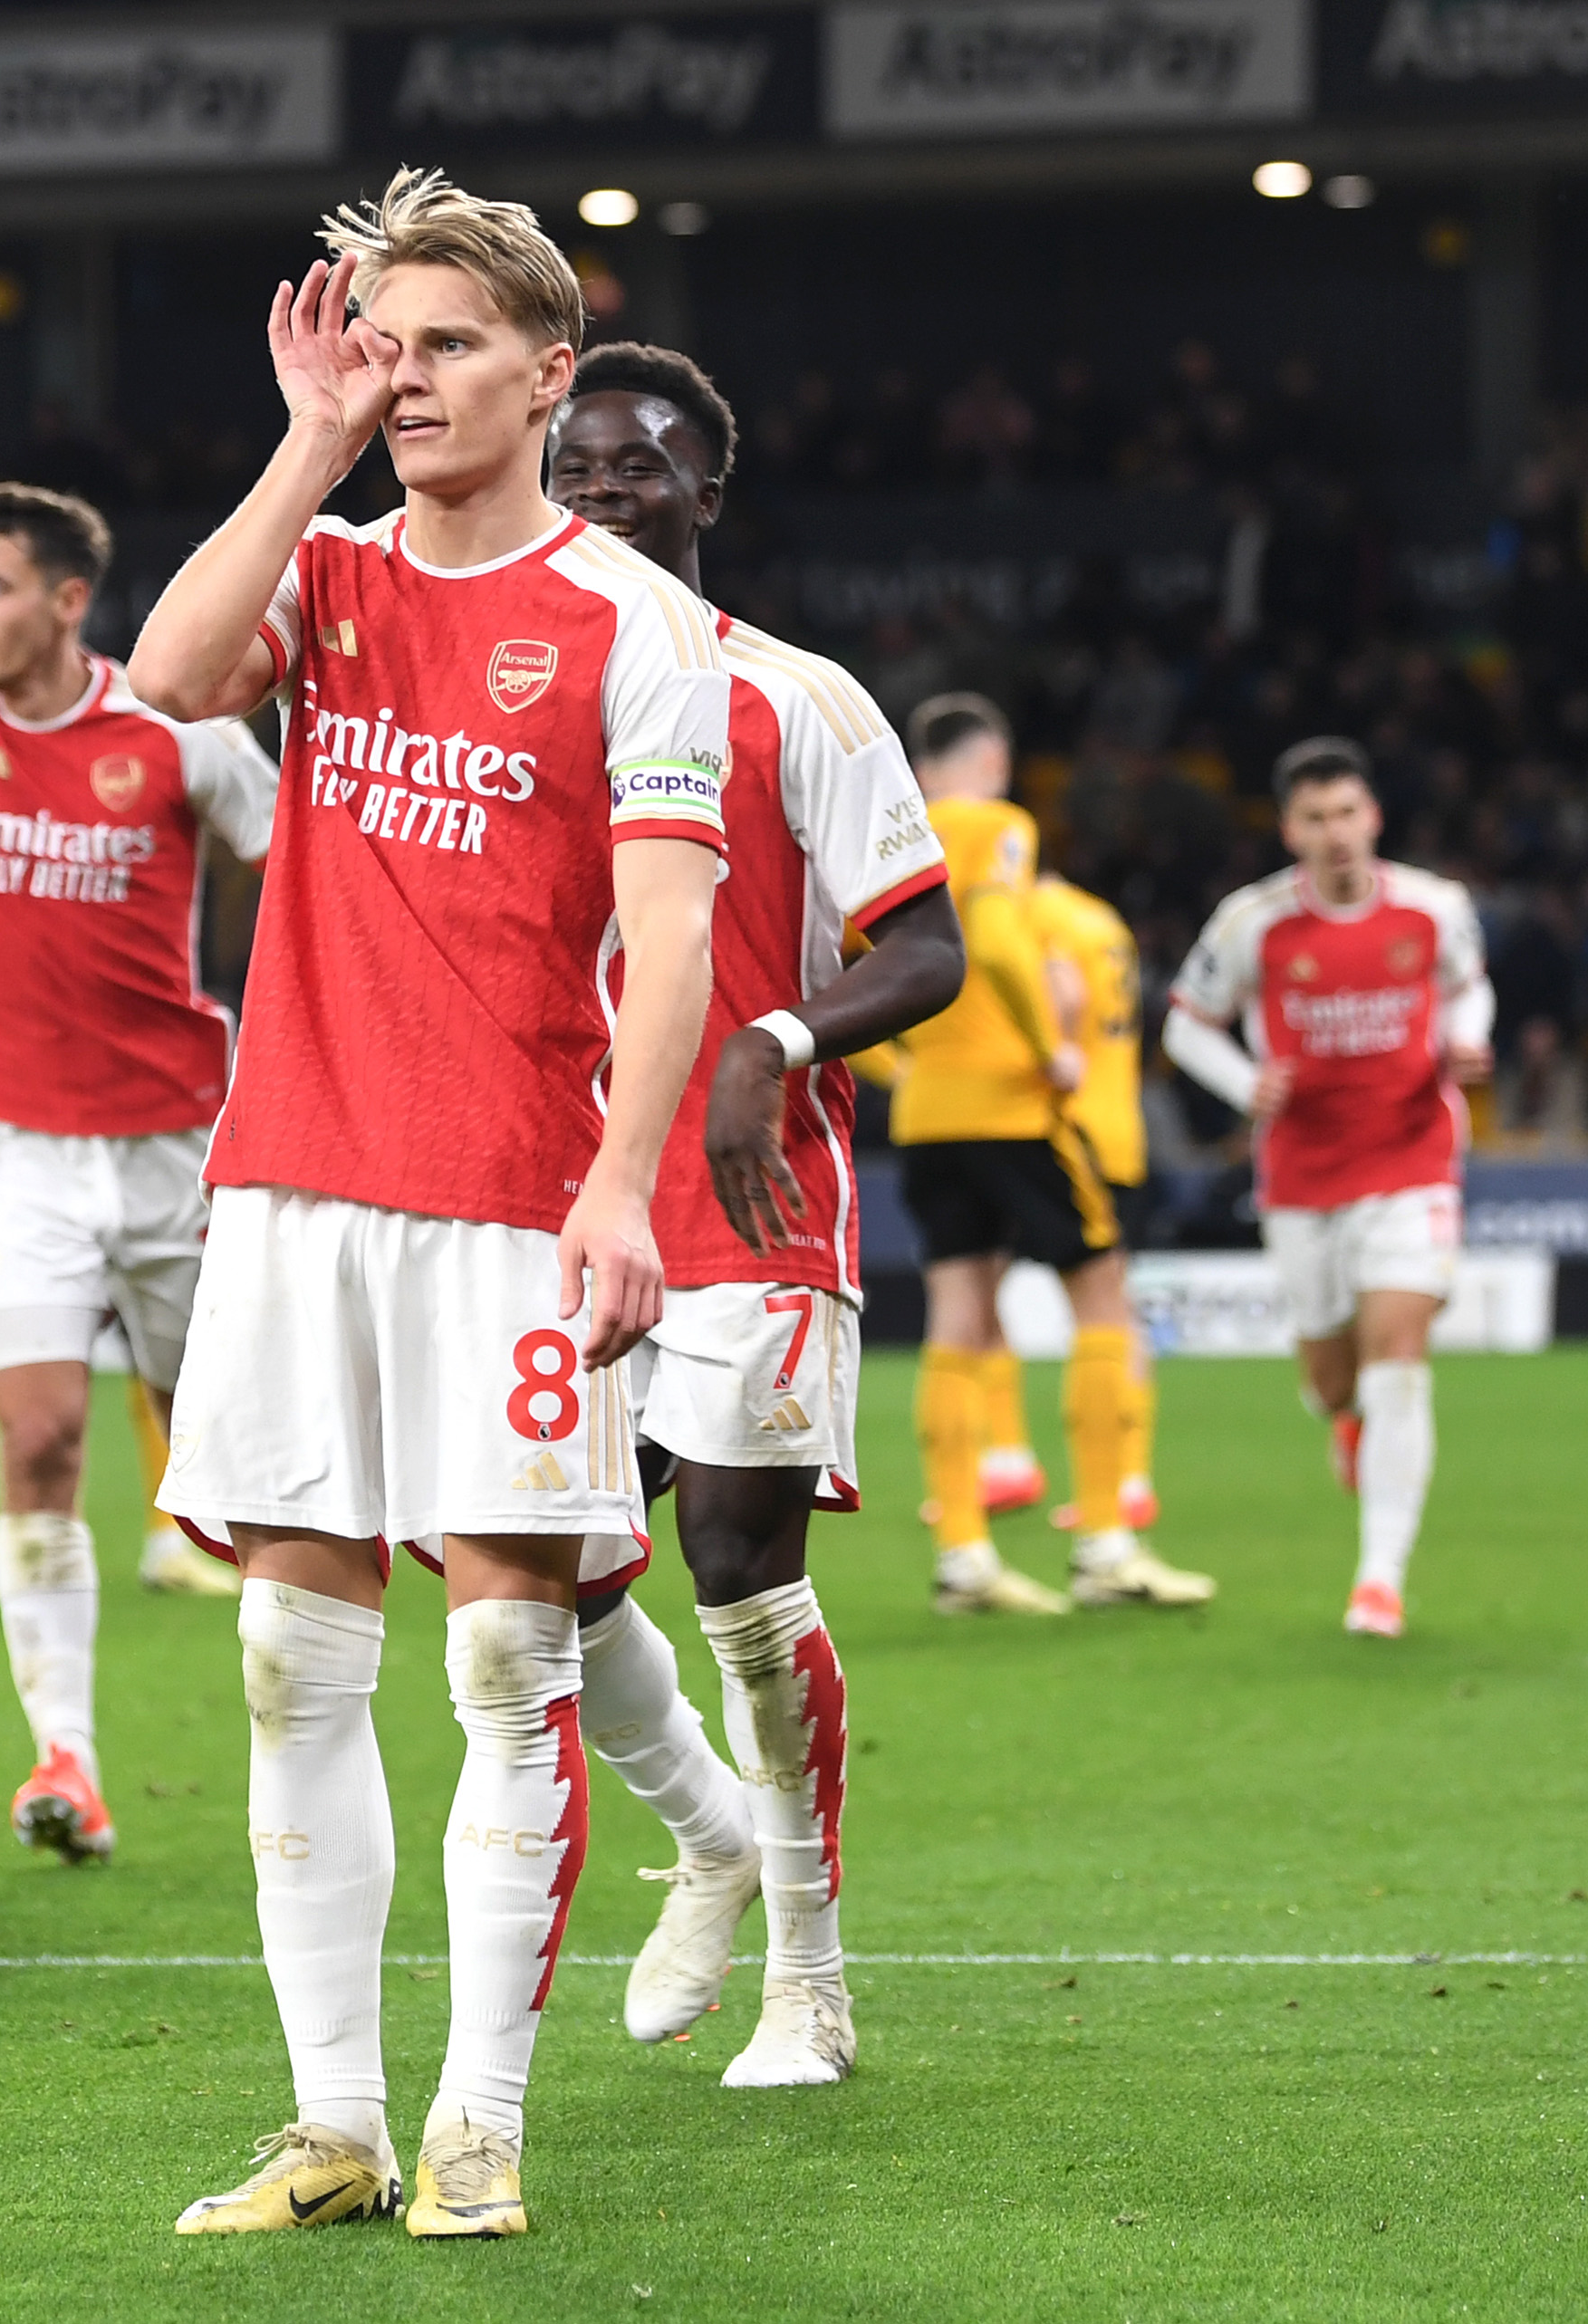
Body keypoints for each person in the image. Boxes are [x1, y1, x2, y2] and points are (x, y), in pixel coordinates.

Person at [128, 169, 727, 2239]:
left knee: (502, 1668)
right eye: (378, 341)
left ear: (552, 372)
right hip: (294, 1183)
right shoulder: (330, 575)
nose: (407, 379)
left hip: (502, 1203)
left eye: (446, 342)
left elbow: (672, 947)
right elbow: (171, 679)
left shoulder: (633, 631)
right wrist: (304, 439)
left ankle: (479, 2122)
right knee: (294, 1660)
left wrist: (624, 1186)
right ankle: (334, 2123)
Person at [544, 343, 965, 2088]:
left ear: (708, 492)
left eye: (637, 466)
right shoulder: (497, 684)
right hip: (553, 1197)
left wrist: (776, 1040)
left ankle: (812, 1970)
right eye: (575, 466)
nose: (599, 493)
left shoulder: (797, 698)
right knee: (545, 1572)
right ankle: (711, 1833)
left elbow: (926, 947)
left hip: (749, 1191)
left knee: (730, 1560)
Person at [0, 481, 277, 1868]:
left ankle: (300, 1737)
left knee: (237, 1464)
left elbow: (302, 868)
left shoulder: (177, 730)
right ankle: (67, 1755)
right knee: (39, 1436)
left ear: (66, 600)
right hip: (12, 1147)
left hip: (184, 1140)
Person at [877, 696, 1209, 1615]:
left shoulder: (877, 829)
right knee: (1100, 1295)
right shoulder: (994, 824)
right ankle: (1106, 1543)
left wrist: (907, 1063)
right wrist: (1043, 1048)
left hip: (929, 1116)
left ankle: (963, 1558)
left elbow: (839, 975)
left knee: (955, 1316)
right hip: (1014, 1108)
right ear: (991, 757)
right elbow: (992, 940)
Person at [1164, 737, 1492, 1638]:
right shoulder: (1251, 921)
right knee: (1331, 1378)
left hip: (1410, 1157)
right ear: (1289, 830)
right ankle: (1343, 1422)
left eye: (1347, 812)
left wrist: (1465, 1039)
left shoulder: (1435, 907)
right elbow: (1187, 1025)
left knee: (1399, 1355)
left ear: (1372, 816)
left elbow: (1469, 989)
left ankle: (1378, 1577)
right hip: (1304, 1175)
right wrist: (1243, 1084)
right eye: (1315, 818)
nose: (1335, 832)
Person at [1020, 868, 1161, 1533]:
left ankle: (1112, 1476)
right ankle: (1129, 1476)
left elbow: (1062, 1000)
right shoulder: (1101, 917)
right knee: (1116, 1300)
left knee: (1095, 1307)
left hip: (1065, 1124)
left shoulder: (1033, 913)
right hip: (1121, 1125)